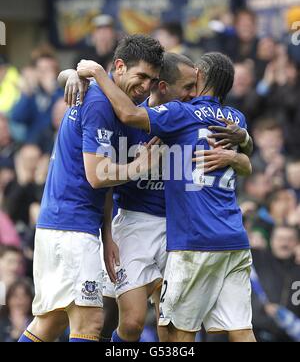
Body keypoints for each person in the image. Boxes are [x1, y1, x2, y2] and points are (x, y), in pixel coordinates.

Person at [66, 52, 252, 342]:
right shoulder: (127, 114)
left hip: (177, 227)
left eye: (196, 85)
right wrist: (72, 75)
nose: (193, 94)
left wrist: (241, 151)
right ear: (164, 86)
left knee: (171, 328)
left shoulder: (187, 117)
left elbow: (240, 149)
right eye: (188, 87)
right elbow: (102, 179)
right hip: (134, 224)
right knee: (132, 323)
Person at [18, 34, 164, 343]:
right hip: (71, 227)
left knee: (51, 323)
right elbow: (97, 175)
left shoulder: (108, 99)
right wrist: (140, 166)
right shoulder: (99, 102)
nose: (147, 86)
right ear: (120, 67)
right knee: (90, 321)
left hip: (62, 224)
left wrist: (107, 233)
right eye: (141, 76)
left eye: (152, 80)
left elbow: (105, 183)